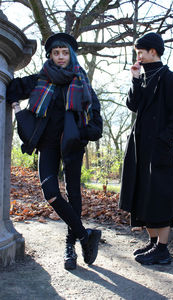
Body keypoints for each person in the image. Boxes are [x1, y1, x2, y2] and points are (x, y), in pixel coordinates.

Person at [6, 32, 103, 271]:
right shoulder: (41, 79)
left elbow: (96, 125)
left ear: (71, 55)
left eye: (64, 52)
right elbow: (12, 88)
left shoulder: (82, 83)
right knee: (50, 192)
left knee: (73, 194)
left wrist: (79, 134)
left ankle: (70, 247)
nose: (60, 57)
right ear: (50, 56)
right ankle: (85, 235)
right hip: (47, 145)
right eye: (55, 53)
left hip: (72, 145)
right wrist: (17, 105)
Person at [119, 32, 173, 265]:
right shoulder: (144, 76)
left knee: (159, 194)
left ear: (153, 52)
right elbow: (133, 105)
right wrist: (135, 79)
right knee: (143, 192)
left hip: (159, 147)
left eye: (141, 52)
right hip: (141, 146)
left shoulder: (169, 78)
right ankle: (152, 242)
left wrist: (164, 140)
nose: (137, 56)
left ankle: (162, 249)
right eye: (137, 52)